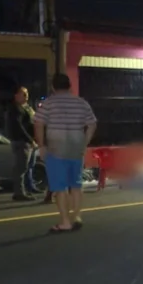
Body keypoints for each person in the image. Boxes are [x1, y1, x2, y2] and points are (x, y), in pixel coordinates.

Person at [34, 74, 97, 234]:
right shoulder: (81, 103)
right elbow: (92, 123)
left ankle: (65, 222)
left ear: (53, 87)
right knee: (75, 185)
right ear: (70, 86)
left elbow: (39, 124)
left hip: (56, 148)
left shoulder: (48, 104)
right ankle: (76, 217)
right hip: (76, 148)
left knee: (60, 188)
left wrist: (41, 146)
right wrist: (85, 141)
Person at [4, 85, 37, 202]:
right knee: (21, 168)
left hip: (25, 141)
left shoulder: (25, 108)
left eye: (27, 93)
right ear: (16, 95)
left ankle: (24, 189)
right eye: (23, 94)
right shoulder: (16, 109)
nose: (26, 96)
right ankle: (19, 193)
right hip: (21, 142)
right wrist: (30, 139)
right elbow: (19, 127)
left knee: (25, 167)